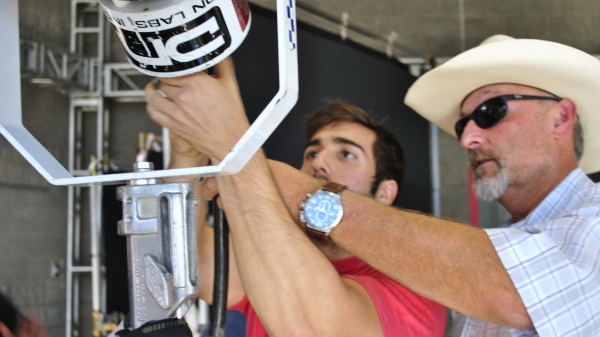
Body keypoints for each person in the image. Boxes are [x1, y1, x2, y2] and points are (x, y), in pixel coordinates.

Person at [146, 34, 600, 337]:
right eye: (463, 123)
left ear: (561, 116)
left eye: (490, 112)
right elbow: (174, 268)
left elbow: (513, 288)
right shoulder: (494, 250)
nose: (467, 137)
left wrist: (256, 165)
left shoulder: (592, 223)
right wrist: (189, 150)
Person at [155, 90, 447, 336]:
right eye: (312, 153)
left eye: (346, 154)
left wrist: (243, 170)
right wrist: (187, 152)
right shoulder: (269, 253)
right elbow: (183, 263)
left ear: (385, 193)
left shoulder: (415, 284)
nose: (319, 163)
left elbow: (313, 327)